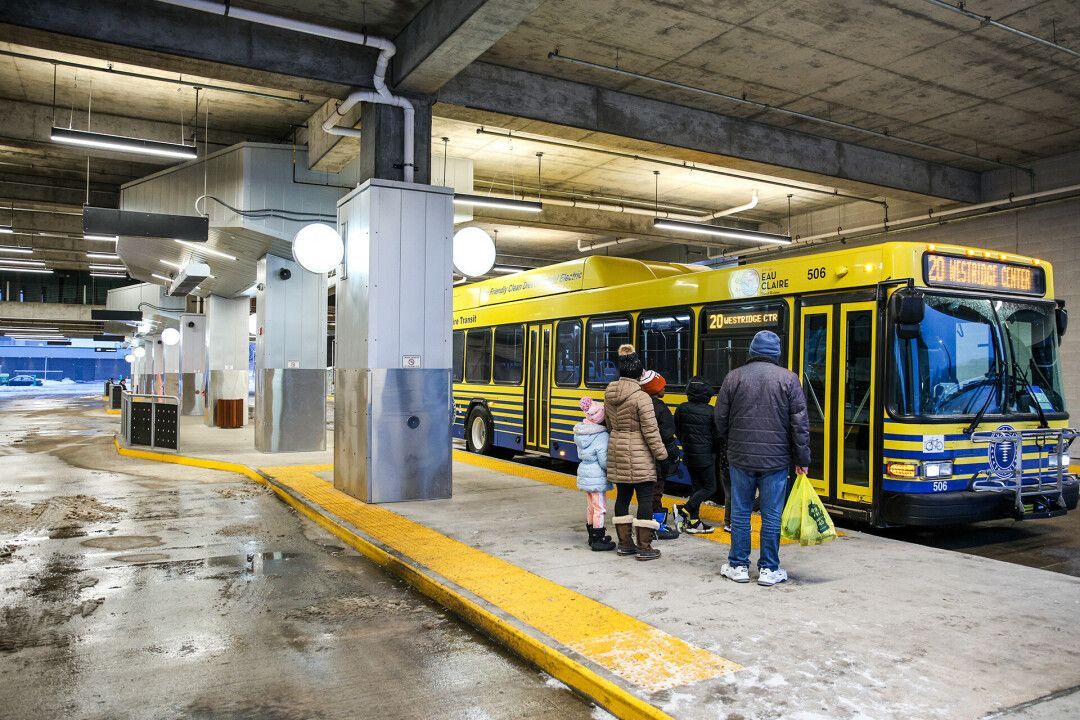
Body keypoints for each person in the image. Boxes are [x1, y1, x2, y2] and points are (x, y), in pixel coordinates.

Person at [714, 330, 809, 587]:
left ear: (752, 351)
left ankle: (738, 566)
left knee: (741, 513)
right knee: (771, 514)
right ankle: (769, 569)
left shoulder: (733, 377)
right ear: (776, 354)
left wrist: (732, 441)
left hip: (740, 458)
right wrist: (802, 459)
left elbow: (720, 419)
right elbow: (799, 424)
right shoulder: (789, 380)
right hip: (776, 461)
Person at [605, 344, 668, 561]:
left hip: (616, 449)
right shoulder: (642, 398)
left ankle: (624, 544)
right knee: (645, 499)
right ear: (639, 373)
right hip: (640, 453)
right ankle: (644, 547)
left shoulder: (609, 392)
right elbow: (651, 431)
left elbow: (609, 425)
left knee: (622, 497)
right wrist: (662, 455)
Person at [672, 376, 718, 534]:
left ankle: (694, 521)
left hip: (689, 454)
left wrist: (686, 443)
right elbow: (717, 435)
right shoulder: (711, 411)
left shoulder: (682, 408)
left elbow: (676, 429)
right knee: (710, 487)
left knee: (697, 488)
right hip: (706, 456)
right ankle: (684, 511)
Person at [638, 369, 680, 540]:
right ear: (654, 390)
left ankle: (650, 523)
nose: (665, 388)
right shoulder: (661, 409)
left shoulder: (640, 404)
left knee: (647, 492)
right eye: (662, 386)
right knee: (656, 491)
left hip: (643, 456)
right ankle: (656, 526)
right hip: (658, 457)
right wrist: (673, 455)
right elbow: (667, 436)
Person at [574, 397, 615, 551]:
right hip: (597, 475)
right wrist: (610, 470)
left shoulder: (581, 433)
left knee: (591, 506)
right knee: (600, 508)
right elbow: (604, 460)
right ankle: (598, 539)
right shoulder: (601, 435)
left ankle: (592, 535)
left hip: (585, 471)